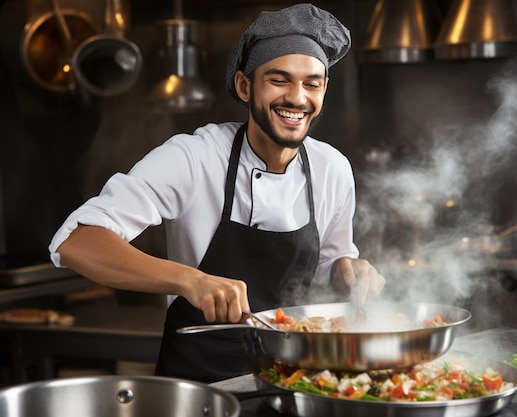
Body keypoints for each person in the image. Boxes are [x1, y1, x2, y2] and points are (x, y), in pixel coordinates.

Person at [48, 3, 385, 383]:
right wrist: (189, 280)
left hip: (295, 379)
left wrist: (347, 270)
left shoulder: (333, 169)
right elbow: (76, 241)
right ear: (245, 86)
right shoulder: (194, 158)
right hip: (199, 387)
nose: (297, 98)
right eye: (279, 80)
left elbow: (330, 260)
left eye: (312, 83)